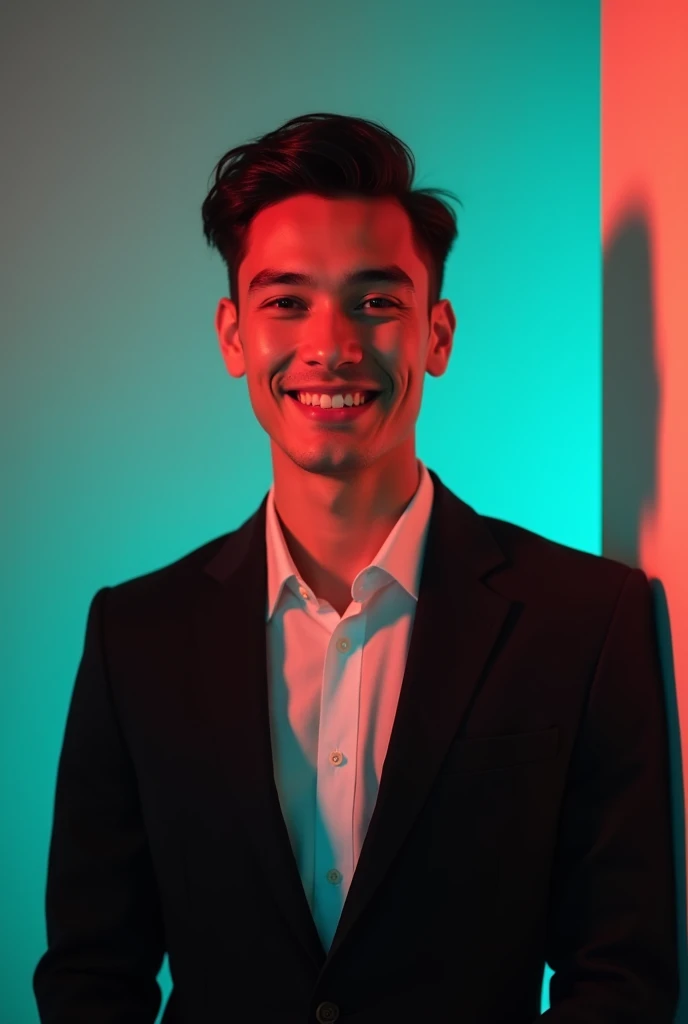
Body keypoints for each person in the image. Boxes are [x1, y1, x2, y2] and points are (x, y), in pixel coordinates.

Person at [33, 112, 678, 1023]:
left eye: (375, 301)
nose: (330, 345)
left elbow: (623, 975)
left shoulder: (589, 619)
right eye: (285, 300)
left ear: (437, 335)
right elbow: (91, 977)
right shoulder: (134, 636)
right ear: (232, 336)